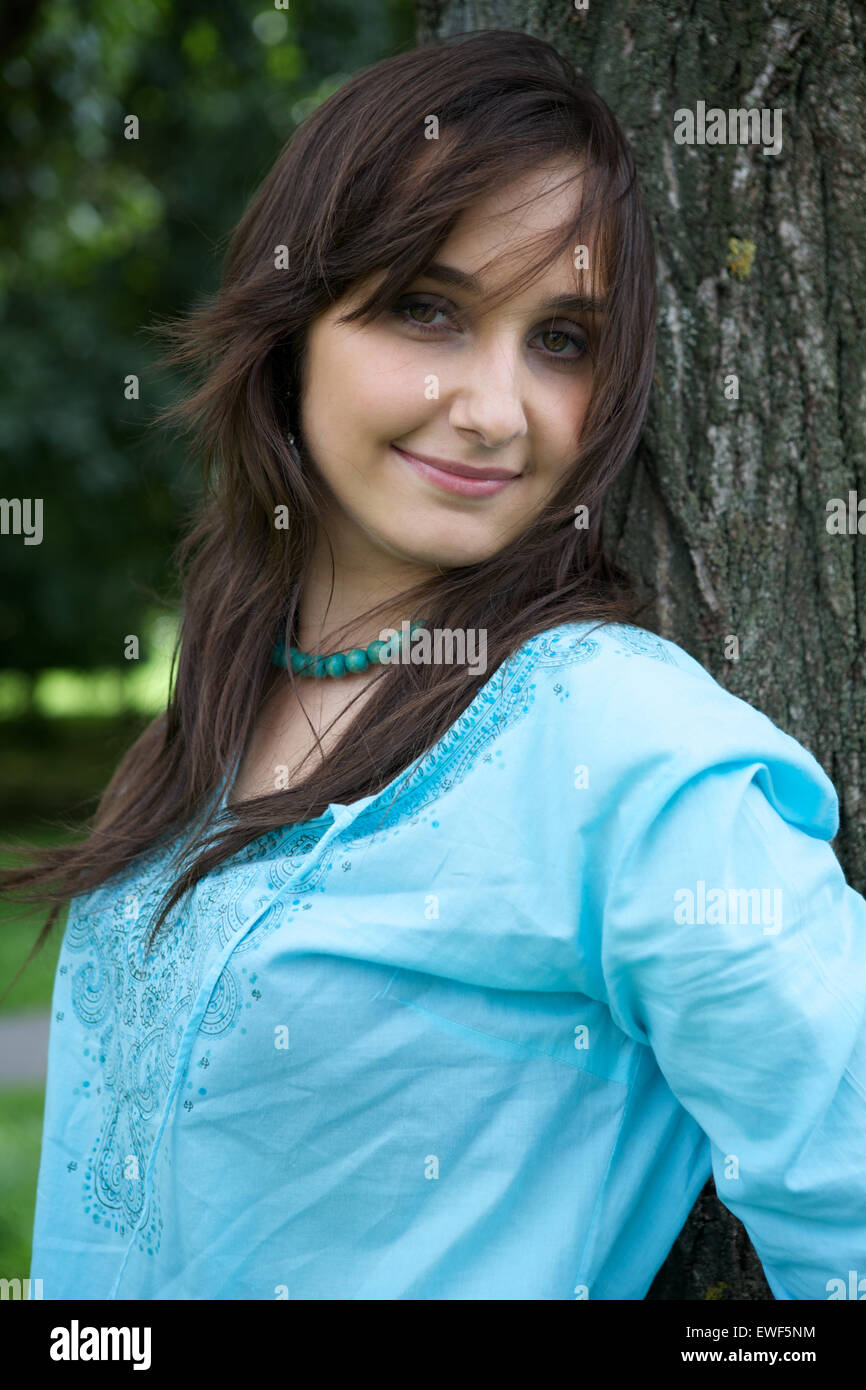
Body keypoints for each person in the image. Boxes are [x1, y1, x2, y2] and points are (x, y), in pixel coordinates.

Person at [5, 29, 865, 1301]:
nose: (494, 408)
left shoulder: (622, 747)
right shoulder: (220, 702)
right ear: (296, 322)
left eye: (560, 340)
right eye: (428, 309)